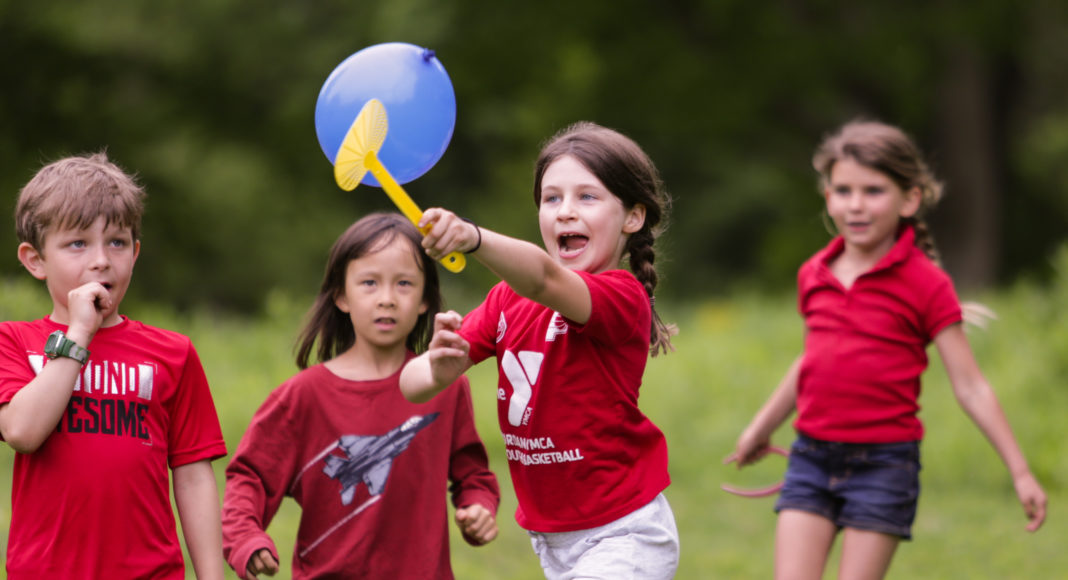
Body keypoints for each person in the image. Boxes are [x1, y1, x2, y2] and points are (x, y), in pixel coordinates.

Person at [730, 120, 1048, 580]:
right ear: (828, 197)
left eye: (874, 191)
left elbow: (972, 387)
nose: (856, 204)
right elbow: (812, 361)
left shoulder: (926, 284)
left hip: (883, 467)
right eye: (844, 190)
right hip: (810, 459)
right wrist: (760, 427)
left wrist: (1020, 471)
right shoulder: (814, 273)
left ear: (910, 199)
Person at [401, 121, 680, 579]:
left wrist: (473, 237)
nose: (565, 212)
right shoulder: (507, 301)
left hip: (624, 533)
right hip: (553, 539)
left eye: (586, 197)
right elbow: (410, 385)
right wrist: (436, 367)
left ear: (633, 217)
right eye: (552, 199)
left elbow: (544, 278)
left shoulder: (622, 296)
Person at [222, 212, 500, 579]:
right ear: (341, 296)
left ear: (424, 299)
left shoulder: (444, 385)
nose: (387, 299)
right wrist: (246, 538)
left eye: (404, 283)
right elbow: (250, 478)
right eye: (369, 282)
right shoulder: (302, 397)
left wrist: (478, 508)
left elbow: (473, 475)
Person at [0, 152, 228, 579]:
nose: (101, 260)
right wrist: (79, 334)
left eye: (117, 242)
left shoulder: (173, 353)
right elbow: (22, 432)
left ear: (135, 253)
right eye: (78, 243)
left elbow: (194, 477)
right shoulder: (12, 341)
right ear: (35, 260)